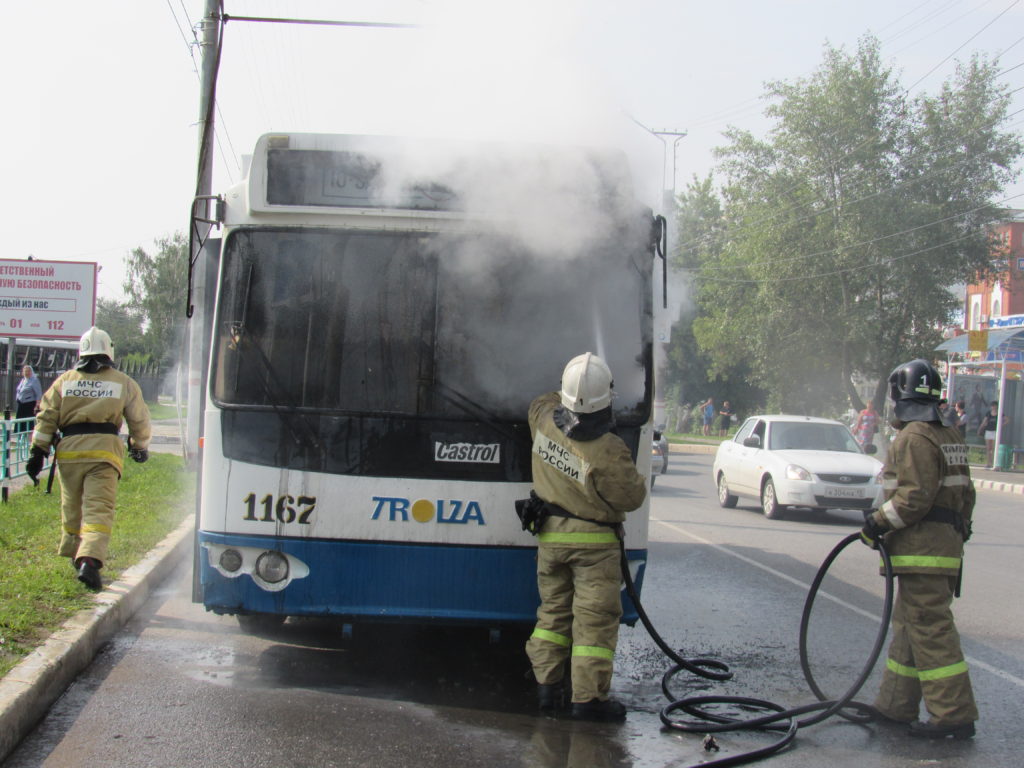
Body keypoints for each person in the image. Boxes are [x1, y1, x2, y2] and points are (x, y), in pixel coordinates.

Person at [524, 352, 647, 722]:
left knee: (553, 617)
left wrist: (567, 386)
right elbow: (633, 497)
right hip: (595, 549)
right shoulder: (609, 449)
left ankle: (547, 690)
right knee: (593, 624)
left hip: (550, 540)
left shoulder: (544, 422)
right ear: (606, 397)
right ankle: (588, 701)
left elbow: (541, 402)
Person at [860, 358, 977, 740]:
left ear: (899, 396)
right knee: (910, 628)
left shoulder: (912, 437)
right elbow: (967, 496)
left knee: (931, 630)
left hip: (920, 551)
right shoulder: (950, 435)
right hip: (942, 550)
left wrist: (877, 522)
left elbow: (912, 499)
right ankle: (896, 705)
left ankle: (954, 714)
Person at [26, 327, 152, 591]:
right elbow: (139, 418)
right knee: (98, 509)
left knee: (72, 507)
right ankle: (90, 561)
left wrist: (37, 452)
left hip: (69, 454)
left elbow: (46, 416)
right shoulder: (123, 382)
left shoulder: (65, 381)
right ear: (109, 351)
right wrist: (139, 446)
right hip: (103, 455)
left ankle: (76, 555)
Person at [976, 401, 1006, 469]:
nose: (992, 407)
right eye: (992, 405)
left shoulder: (1000, 413)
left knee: (993, 448)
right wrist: (980, 429)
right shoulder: (988, 413)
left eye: (994, 405)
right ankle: (988, 463)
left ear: (996, 406)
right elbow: (984, 421)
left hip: (995, 431)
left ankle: (993, 462)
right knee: (988, 448)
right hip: (988, 431)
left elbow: (1007, 420)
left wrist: (1001, 425)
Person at [14, 365, 43, 432]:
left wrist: (37, 405)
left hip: (29, 405)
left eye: (28, 371)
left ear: (31, 372)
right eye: (25, 371)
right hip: (21, 405)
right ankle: (20, 438)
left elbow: (38, 394)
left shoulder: (34, 380)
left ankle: (28, 439)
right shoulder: (23, 380)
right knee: (19, 423)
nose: (26, 373)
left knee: (28, 425)